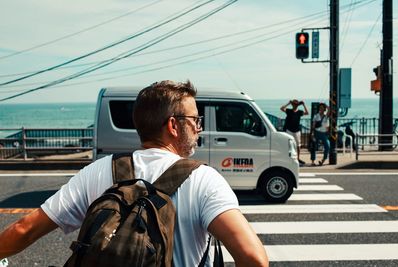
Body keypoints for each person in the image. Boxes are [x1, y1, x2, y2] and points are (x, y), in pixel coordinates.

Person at [0, 80, 268, 267]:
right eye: (195, 120)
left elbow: (24, 229)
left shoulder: (98, 171)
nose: (199, 128)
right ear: (174, 125)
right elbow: (253, 258)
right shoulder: (204, 180)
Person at [280, 99, 309, 165]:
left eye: (296, 104)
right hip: (289, 130)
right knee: (288, 144)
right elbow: (281, 108)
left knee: (298, 145)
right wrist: (288, 103)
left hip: (297, 130)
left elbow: (307, 113)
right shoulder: (289, 111)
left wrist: (304, 104)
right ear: (292, 104)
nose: (295, 105)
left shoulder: (299, 112)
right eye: (294, 104)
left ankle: (298, 159)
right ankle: (288, 158)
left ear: (298, 105)